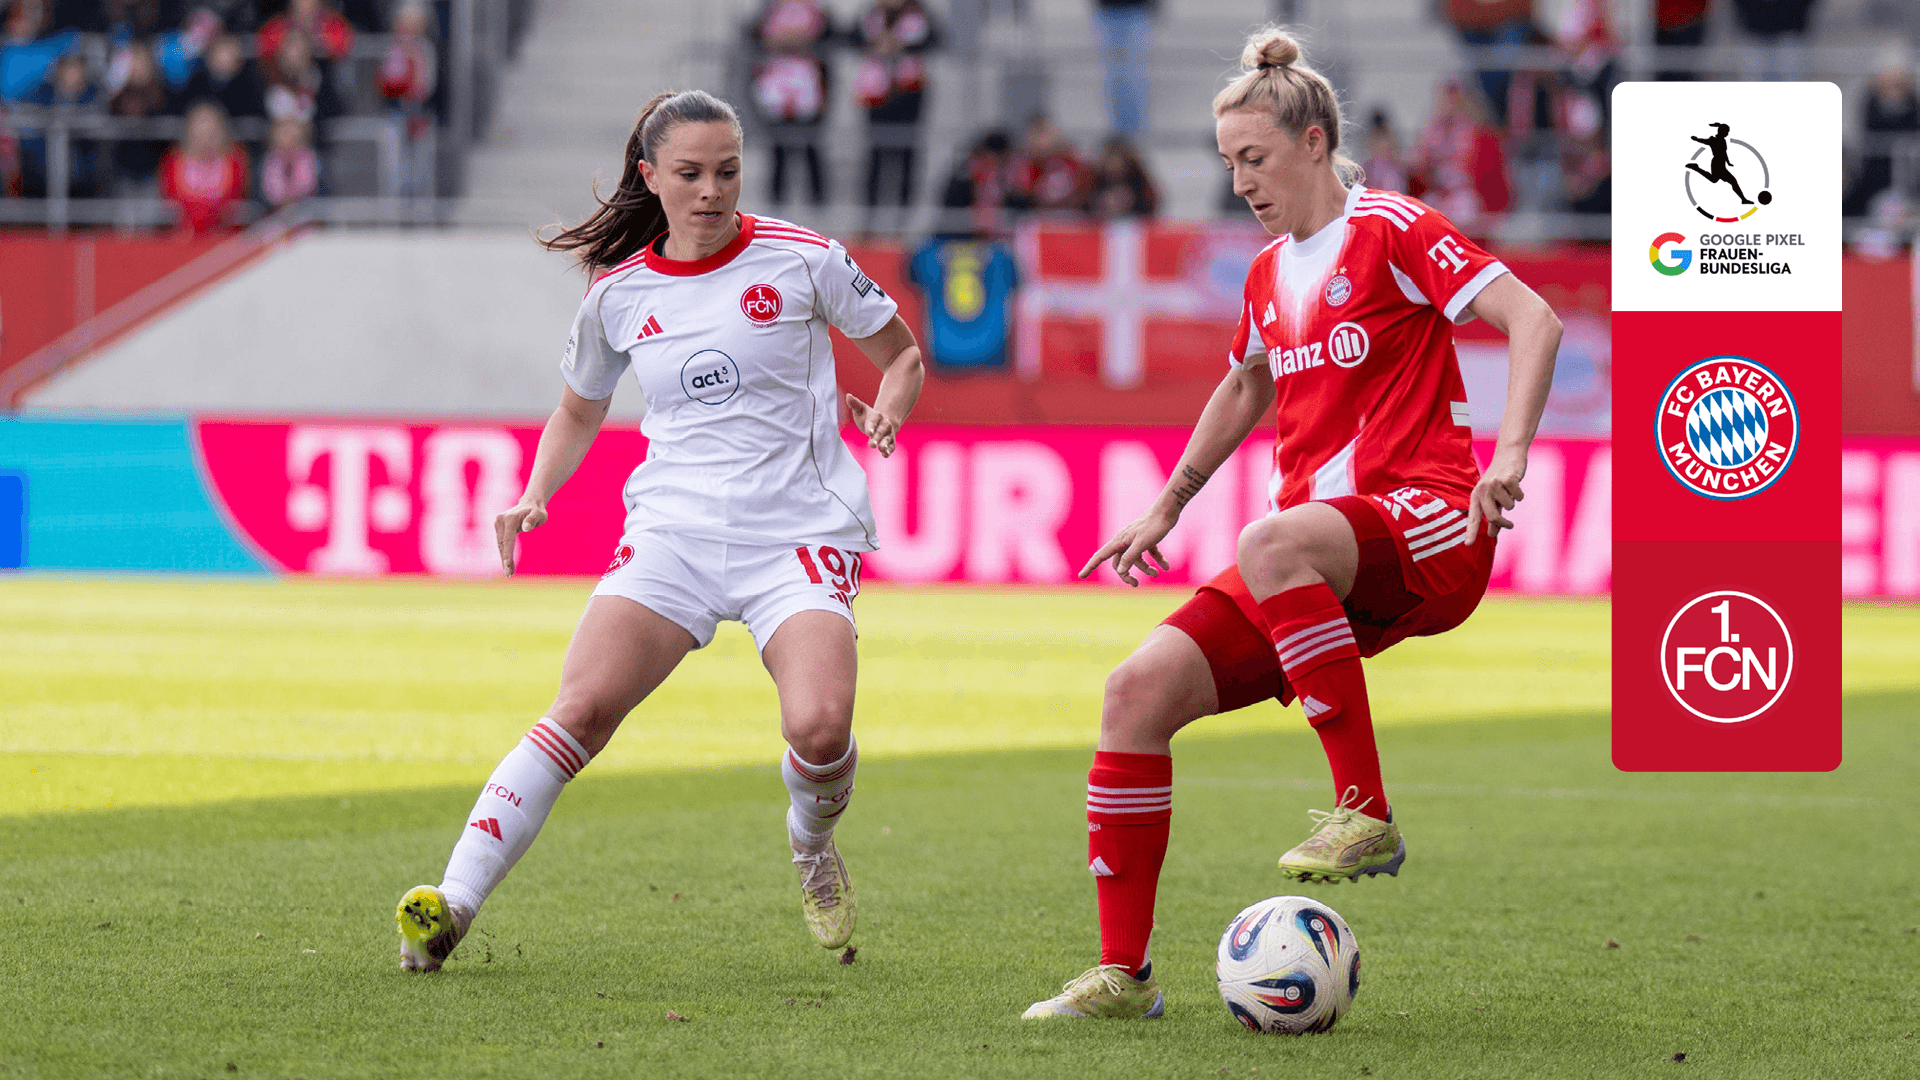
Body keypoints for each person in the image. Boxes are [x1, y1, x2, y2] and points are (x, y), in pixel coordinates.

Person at [1022, 27, 1560, 1020]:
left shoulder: (1393, 228)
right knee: (1134, 693)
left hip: (1430, 517)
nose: (1240, 183)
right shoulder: (1268, 272)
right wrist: (1166, 505)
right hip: (1315, 554)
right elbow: (1245, 383)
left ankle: (1365, 812)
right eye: (1229, 162)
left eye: (1255, 159)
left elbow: (1535, 318)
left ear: (1315, 143)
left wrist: (1512, 455)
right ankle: (1123, 975)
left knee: (1270, 539)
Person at [393, 89, 927, 973]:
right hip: (675, 532)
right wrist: (534, 493)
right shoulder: (618, 294)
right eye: (690, 174)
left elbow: (899, 353)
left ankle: (810, 842)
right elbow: (578, 409)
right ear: (651, 177)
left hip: (798, 532)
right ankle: (452, 903)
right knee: (579, 711)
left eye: (727, 172)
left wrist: (889, 413)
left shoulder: (806, 259)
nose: (711, 191)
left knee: (821, 728)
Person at [854, 0, 936, 226]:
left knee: (906, 154)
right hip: (877, 94)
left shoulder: (919, 16)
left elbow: (934, 40)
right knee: (876, 154)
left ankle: (903, 217)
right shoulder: (871, 15)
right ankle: (870, 216)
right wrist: (876, 45)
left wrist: (901, 46)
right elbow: (852, 38)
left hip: (908, 94)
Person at [159, 99, 248, 232]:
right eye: (200, 127)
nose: (205, 135)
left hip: (223, 233)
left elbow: (235, 197)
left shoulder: (235, 160)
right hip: (185, 233)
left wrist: (206, 214)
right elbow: (170, 199)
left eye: (211, 129)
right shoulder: (174, 161)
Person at [1089, 134, 1159, 219]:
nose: (1113, 162)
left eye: (1116, 157)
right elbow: (1086, 205)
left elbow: (1151, 204)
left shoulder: (1138, 177)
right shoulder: (1095, 177)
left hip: (1134, 221)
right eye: (1110, 156)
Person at [259, 113, 317, 206]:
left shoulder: (310, 157)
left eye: (291, 130)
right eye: (283, 130)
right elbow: (268, 191)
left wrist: (292, 198)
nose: (288, 134)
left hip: (306, 208)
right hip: (275, 209)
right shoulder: (270, 159)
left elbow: (308, 187)